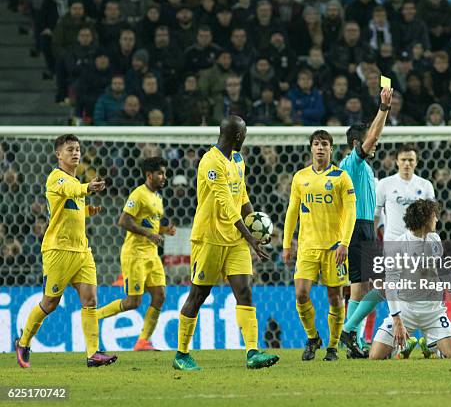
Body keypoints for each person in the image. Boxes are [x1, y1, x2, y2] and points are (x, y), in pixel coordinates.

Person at [173, 115, 279, 371]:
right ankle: (181, 354)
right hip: (209, 238)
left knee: (244, 291)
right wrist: (250, 237)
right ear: (238, 137)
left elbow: (241, 197)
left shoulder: (238, 160)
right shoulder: (210, 162)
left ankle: (253, 352)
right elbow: (225, 205)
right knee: (199, 294)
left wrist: (255, 223)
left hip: (235, 239)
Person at [15, 134, 117, 368]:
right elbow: (72, 190)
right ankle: (23, 342)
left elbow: (71, 207)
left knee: (90, 299)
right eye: (70, 149)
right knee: (50, 303)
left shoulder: (76, 182)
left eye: (78, 149)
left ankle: (93, 353)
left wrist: (88, 211)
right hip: (58, 250)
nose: (75, 153)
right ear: (58, 154)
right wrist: (88, 187)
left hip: (82, 250)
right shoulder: (56, 178)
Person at [283, 129, 357, 361]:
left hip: (334, 247)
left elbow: (351, 212)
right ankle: (313, 337)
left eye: (325, 144)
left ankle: (333, 347)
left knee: (335, 297)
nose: (321, 148)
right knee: (301, 294)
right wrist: (287, 244)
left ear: (331, 149)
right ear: (311, 148)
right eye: (317, 144)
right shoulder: (300, 177)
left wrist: (344, 243)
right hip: (307, 247)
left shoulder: (341, 177)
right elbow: (292, 211)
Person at [369, 199, 451, 360]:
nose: (437, 219)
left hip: (434, 311)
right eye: (434, 216)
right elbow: (390, 286)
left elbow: (443, 270)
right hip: (405, 311)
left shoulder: (434, 239)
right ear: (425, 219)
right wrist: (397, 319)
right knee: (375, 356)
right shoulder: (398, 245)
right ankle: (403, 346)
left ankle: (431, 346)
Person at [97, 157, 176, 351]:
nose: (164, 177)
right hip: (135, 254)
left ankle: (142, 341)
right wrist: (149, 234)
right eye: (160, 173)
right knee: (134, 302)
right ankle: (93, 316)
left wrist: (163, 230)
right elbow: (123, 221)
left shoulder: (158, 198)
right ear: (149, 175)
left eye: (164, 173)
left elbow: (149, 223)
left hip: (152, 254)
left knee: (160, 295)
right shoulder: (138, 194)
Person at [338, 86, 393, 358]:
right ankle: (348, 330)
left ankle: (354, 342)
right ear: (356, 144)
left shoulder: (363, 168)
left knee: (359, 288)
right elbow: (372, 136)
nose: (374, 144)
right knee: (383, 285)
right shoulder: (354, 162)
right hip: (359, 227)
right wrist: (383, 108)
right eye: (368, 141)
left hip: (363, 228)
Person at [375, 144, 435, 242]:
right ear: (397, 162)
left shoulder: (426, 185)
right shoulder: (384, 184)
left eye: (411, 160)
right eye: (403, 160)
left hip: (417, 241)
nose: (407, 163)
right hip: (392, 240)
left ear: (416, 162)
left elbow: (432, 216)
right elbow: (376, 213)